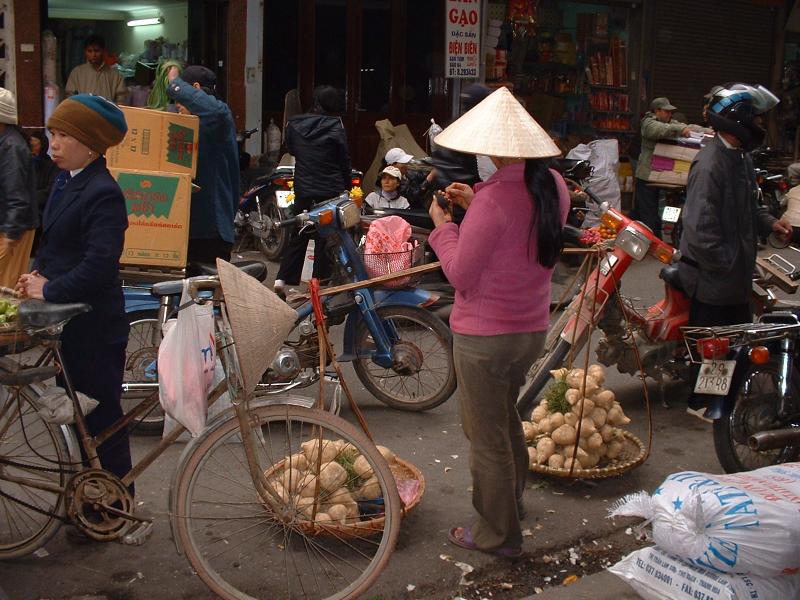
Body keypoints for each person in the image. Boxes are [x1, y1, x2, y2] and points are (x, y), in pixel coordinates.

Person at [426, 87, 569, 558]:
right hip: (529, 330)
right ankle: (512, 504)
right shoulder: (553, 186)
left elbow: (461, 275)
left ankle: (497, 534)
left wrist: (443, 228)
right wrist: (474, 205)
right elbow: (515, 239)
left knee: (486, 436)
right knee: (505, 418)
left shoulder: (494, 202)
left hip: (485, 337)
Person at [15, 95, 134, 506]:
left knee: (102, 422)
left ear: (91, 144)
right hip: (69, 324)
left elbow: (99, 266)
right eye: (52, 133)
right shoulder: (66, 180)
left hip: (95, 328)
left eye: (64, 135)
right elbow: (59, 247)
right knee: (79, 419)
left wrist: (48, 289)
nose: (54, 144)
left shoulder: (103, 192)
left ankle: (116, 507)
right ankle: (90, 499)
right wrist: (38, 273)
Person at [679, 83, 792, 328]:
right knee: (712, 359)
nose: (760, 125)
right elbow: (700, 232)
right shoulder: (710, 165)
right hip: (714, 285)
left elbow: (750, 206)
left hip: (736, 282)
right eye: (757, 119)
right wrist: (728, 265)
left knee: (739, 353)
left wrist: (772, 223)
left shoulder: (742, 158)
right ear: (739, 118)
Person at [274, 85, 351, 298]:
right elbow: (343, 159)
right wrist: (347, 185)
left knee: (299, 231)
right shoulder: (336, 125)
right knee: (324, 236)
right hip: (330, 190)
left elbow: (291, 149)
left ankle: (281, 279)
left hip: (304, 187)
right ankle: (319, 283)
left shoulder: (295, 124)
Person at [167, 65, 239, 268]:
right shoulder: (190, 125)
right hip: (186, 228)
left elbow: (215, 110)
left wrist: (175, 84)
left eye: (182, 98)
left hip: (211, 231)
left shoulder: (219, 118)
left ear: (196, 88)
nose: (178, 105)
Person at [633, 97, 692, 239]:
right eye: (666, 111)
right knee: (647, 211)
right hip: (646, 175)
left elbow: (687, 127)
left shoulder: (669, 122)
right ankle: (651, 240)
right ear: (657, 111)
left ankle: (654, 237)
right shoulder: (648, 123)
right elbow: (657, 130)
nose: (670, 115)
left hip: (661, 175)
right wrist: (680, 129)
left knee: (653, 209)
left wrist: (708, 131)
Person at [0, 87, 38, 288]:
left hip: (14, 229)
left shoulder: (11, 147)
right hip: (7, 225)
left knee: (7, 288)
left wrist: (10, 235)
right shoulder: (6, 142)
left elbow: (17, 196)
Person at [65, 35, 128, 105]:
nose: (93, 54)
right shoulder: (76, 73)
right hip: (83, 113)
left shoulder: (115, 75)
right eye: (89, 51)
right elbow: (70, 97)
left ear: (103, 51)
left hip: (106, 114)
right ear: (85, 52)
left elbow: (121, 99)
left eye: (97, 51)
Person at [28, 131, 60, 254]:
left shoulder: (52, 166)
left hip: (40, 211)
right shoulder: (26, 164)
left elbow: (50, 191)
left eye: (35, 145)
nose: (32, 150)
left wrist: (29, 198)